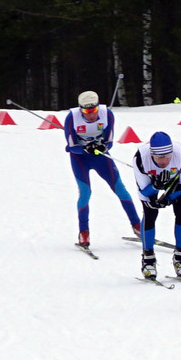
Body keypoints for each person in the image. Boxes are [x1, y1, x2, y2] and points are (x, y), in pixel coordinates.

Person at [63, 90, 141, 247]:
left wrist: (101, 147)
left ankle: (138, 226)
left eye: (93, 110)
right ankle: (84, 232)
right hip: (80, 159)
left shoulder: (108, 115)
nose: (90, 115)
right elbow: (70, 147)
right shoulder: (72, 118)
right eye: (86, 111)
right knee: (85, 193)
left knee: (120, 189)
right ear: (80, 109)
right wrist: (85, 149)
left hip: (101, 158)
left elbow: (110, 142)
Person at [132, 132, 181, 279]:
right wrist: (156, 186)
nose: (164, 161)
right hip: (149, 184)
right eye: (159, 157)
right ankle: (148, 259)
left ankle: (180, 257)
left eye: (167, 157)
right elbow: (144, 191)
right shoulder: (140, 158)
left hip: (176, 184)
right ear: (152, 154)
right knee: (150, 213)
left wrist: (167, 198)